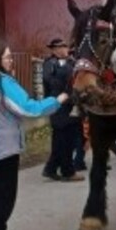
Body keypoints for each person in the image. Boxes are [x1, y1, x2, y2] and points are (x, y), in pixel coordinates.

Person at [0, 40, 71, 230]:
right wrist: (57, 100)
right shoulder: (4, 83)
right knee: (4, 195)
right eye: (7, 57)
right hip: (4, 147)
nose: (10, 60)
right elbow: (28, 108)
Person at [41, 39, 85, 182]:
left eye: (64, 46)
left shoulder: (72, 62)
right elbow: (50, 81)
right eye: (58, 47)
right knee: (64, 139)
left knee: (64, 140)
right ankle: (67, 171)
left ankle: (51, 168)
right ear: (53, 50)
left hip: (72, 105)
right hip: (57, 105)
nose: (62, 50)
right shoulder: (50, 64)